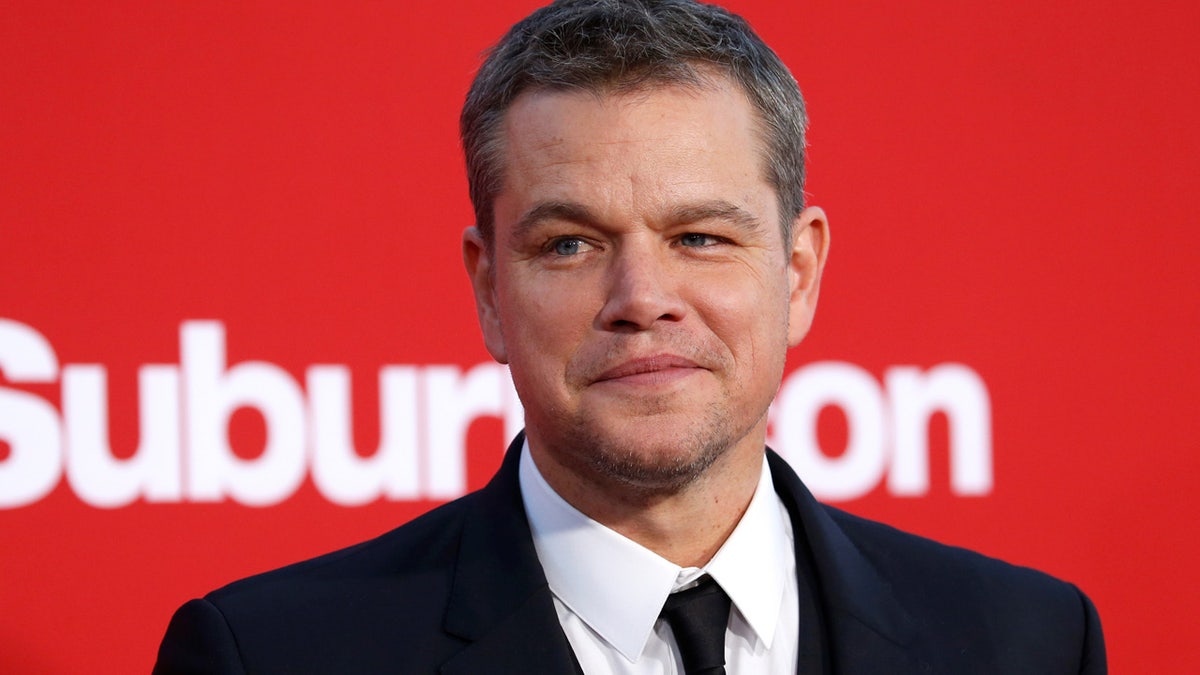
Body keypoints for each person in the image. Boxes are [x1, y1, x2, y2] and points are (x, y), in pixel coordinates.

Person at [154, 0, 1106, 672]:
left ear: (799, 270)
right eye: (570, 244)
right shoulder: (271, 653)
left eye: (700, 236)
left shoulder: (1026, 640)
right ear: (489, 289)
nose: (642, 296)